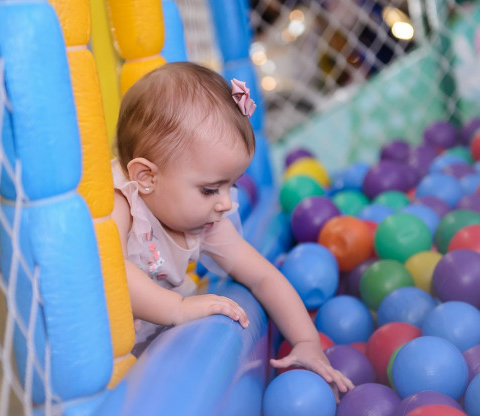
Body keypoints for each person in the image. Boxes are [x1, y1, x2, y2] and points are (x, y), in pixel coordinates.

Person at [111, 61, 353, 396]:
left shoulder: (204, 220)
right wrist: (177, 308)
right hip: (99, 350)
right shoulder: (119, 204)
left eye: (233, 185)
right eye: (211, 189)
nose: (226, 203)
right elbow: (111, 273)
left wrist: (306, 342)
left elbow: (263, 277)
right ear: (146, 177)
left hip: (147, 348)